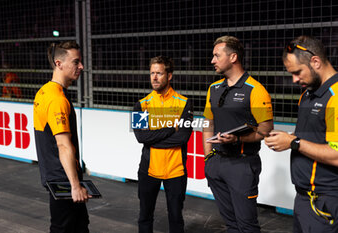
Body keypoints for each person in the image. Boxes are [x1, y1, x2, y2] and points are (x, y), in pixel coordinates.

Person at [265, 36, 338, 233]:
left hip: (326, 201)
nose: (294, 80)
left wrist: (294, 142)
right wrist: (286, 138)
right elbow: (315, 137)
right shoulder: (308, 94)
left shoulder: (335, 97)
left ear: (315, 62)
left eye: (297, 72)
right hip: (303, 199)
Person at [202, 36, 273, 233]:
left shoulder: (256, 90)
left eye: (217, 55)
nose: (212, 60)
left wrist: (239, 139)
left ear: (233, 57)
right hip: (216, 164)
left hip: (242, 166)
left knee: (247, 226)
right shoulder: (213, 89)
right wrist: (208, 157)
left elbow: (266, 131)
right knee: (231, 224)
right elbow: (208, 123)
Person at [33, 41, 91, 233]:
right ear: (59, 64)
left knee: (79, 226)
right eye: (76, 62)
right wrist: (75, 186)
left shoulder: (43, 92)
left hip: (55, 176)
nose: (81, 66)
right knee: (64, 228)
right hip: (64, 179)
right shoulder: (57, 100)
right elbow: (63, 145)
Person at [133, 56, 193, 233]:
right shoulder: (141, 105)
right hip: (148, 170)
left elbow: (182, 137)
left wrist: (154, 137)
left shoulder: (184, 104)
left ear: (169, 76)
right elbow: (141, 137)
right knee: (145, 215)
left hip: (176, 170)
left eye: (159, 73)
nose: (155, 77)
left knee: (176, 217)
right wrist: (169, 128)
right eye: (152, 73)